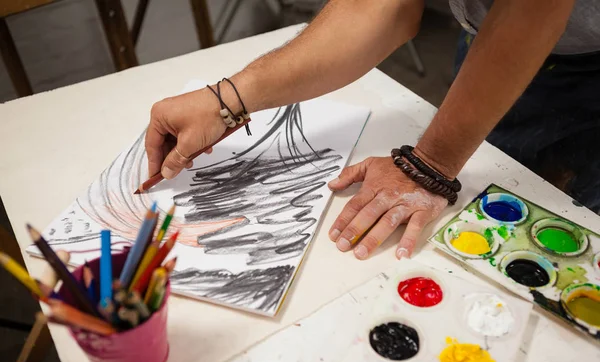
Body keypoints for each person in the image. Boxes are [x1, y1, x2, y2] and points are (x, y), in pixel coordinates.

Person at [145, 0, 598, 261]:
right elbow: (380, 8)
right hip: (493, 36)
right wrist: (227, 100)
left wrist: (431, 164)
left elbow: (530, 12)